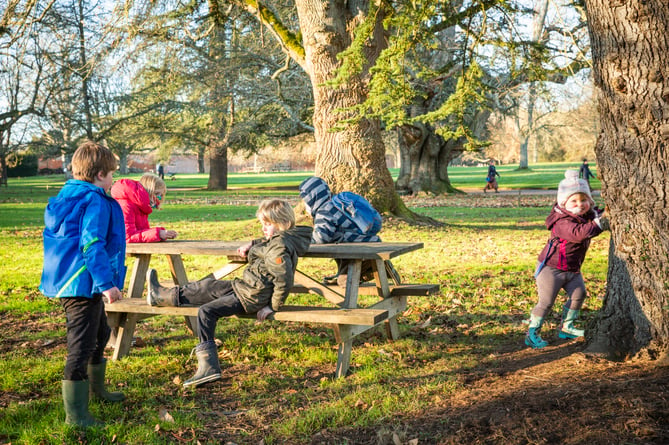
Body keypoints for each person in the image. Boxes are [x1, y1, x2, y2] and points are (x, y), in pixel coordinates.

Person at [145, 199, 312, 388]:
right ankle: (161, 295)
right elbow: (269, 244)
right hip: (246, 287)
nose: (264, 228)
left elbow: (284, 280)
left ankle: (208, 367)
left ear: (283, 223)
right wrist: (252, 244)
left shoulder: (279, 246)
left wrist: (272, 307)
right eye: (262, 224)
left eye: (267, 224)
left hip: (251, 297)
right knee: (208, 286)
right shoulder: (280, 240)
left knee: (206, 312)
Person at [39, 141, 127, 427]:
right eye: (112, 174)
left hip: (73, 282)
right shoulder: (94, 201)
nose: (113, 179)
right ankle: (76, 416)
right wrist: (107, 283)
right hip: (82, 283)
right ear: (100, 174)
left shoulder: (69, 195)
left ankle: (96, 391)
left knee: (101, 333)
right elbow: (91, 244)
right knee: (82, 345)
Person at [525, 169, 609, 349]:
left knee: (579, 294)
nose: (580, 204)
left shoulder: (586, 215)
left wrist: (604, 213)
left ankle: (567, 327)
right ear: (564, 203)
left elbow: (596, 215)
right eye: (574, 201)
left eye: (584, 200)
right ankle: (532, 332)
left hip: (572, 269)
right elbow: (580, 234)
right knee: (546, 302)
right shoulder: (561, 221)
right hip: (551, 269)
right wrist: (601, 223)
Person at [298, 176, 400, 287]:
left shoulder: (325, 211)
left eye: (306, 200)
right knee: (339, 249)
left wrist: (303, 240)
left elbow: (321, 238)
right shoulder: (335, 204)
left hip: (357, 248)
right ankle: (376, 269)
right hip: (367, 242)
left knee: (344, 282)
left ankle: (360, 277)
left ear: (313, 197)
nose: (305, 204)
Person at [111, 173, 177, 242]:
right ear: (148, 191)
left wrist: (162, 234)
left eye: (161, 195)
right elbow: (127, 237)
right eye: (157, 194)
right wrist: (158, 234)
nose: (158, 198)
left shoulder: (141, 207)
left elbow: (140, 232)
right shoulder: (126, 206)